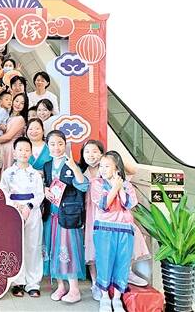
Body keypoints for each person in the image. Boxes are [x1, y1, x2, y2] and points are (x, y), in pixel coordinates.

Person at [79, 141, 150, 301]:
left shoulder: (118, 178)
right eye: (87, 152)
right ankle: (97, 285)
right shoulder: (86, 175)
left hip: (120, 221)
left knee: (124, 251)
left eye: (95, 151)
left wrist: (113, 159)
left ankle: (124, 279)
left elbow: (129, 197)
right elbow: (102, 203)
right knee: (95, 250)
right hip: (96, 216)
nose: (90, 155)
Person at [42, 130, 89, 304]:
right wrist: (45, 190)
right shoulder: (47, 165)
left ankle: (74, 289)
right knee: (53, 248)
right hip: (51, 214)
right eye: (52, 144)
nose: (56, 147)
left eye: (60, 143)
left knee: (68, 249)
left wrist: (75, 168)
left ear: (65, 144)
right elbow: (47, 184)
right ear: (47, 146)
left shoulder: (72, 164)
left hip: (68, 215)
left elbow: (83, 186)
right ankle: (61, 286)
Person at [91, 151, 138, 312]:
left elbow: (128, 204)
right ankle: (105, 297)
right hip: (104, 228)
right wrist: (115, 188)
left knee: (122, 263)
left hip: (125, 228)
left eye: (107, 166)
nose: (102, 169)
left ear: (117, 168)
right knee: (104, 261)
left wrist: (120, 187)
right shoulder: (97, 183)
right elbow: (103, 204)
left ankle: (117, 298)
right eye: (101, 166)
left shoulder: (127, 185)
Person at [0, 137, 44, 298]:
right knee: (15, 246)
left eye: (27, 150)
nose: (24, 153)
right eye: (20, 150)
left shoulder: (35, 174)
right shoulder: (7, 173)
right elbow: (3, 191)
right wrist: (14, 205)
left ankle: (33, 283)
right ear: (14, 152)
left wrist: (29, 206)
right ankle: (17, 282)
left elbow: (40, 194)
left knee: (33, 246)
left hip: (32, 211)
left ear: (31, 153)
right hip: (13, 211)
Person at [0, 93, 28, 172]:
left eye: (22, 103)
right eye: (16, 101)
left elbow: (8, 136)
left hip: (9, 149)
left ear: (25, 106)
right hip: (0, 145)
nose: (18, 104)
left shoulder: (20, 119)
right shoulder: (7, 114)